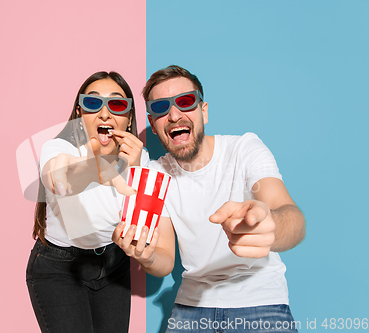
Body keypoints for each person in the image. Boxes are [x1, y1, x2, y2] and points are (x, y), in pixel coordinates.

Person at [113, 65, 306, 332]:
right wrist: (145, 256)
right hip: (191, 308)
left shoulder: (244, 150)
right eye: (160, 108)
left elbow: (291, 217)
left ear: (204, 111)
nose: (174, 114)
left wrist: (270, 224)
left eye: (185, 101)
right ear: (154, 126)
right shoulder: (157, 174)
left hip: (261, 303)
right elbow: (166, 258)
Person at [26, 71, 148, 333]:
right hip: (60, 268)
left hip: (113, 264)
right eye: (93, 103)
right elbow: (57, 173)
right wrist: (92, 170)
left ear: (128, 119)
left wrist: (136, 171)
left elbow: (144, 226)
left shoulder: (140, 157)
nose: (105, 114)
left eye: (116, 104)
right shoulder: (60, 148)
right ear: (80, 115)